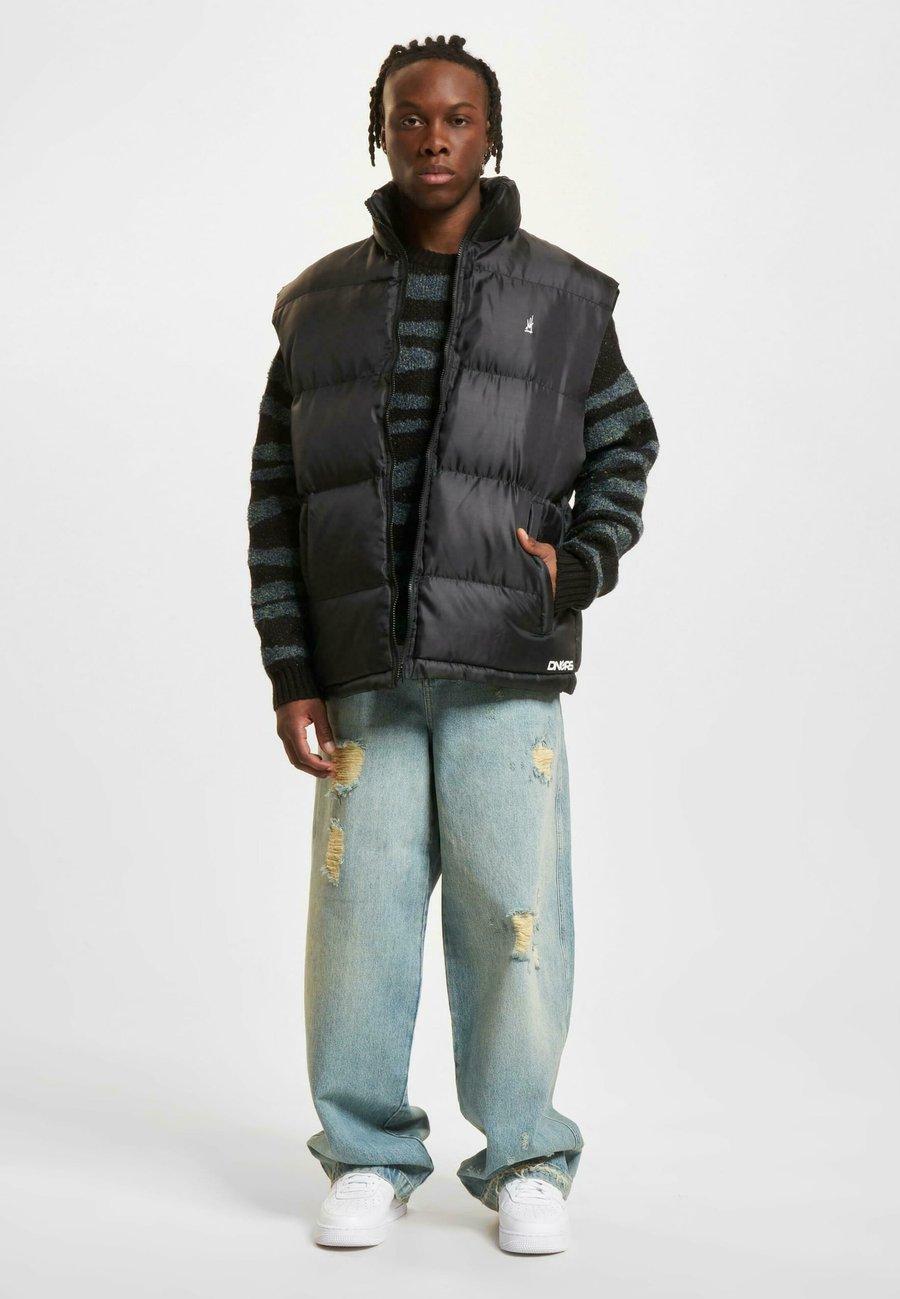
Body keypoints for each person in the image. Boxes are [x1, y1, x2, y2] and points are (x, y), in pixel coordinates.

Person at [248, 33, 659, 1254]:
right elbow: (277, 497)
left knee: (514, 919)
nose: (434, 138)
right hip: (364, 675)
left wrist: (575, 567)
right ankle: (368, 1155)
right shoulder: (315, 305)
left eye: (458, 117)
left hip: (503, 665)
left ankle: (526, 1155)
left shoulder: (568, 299)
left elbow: (624, 447)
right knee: (358, 926)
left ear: (492, 132)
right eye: (411, 117)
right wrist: (291, 669)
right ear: (378, 129)